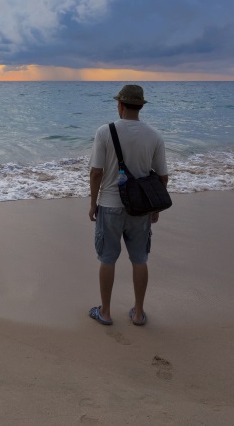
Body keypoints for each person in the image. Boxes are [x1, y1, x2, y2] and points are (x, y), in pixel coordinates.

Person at [87, 84, 169, 326]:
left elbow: (95, 173)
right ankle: (138, 313)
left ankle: (105, 312)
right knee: (140, 259)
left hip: (110, 205)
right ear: (141, 106)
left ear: (120, 105)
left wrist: (93, 204)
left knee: (108, 259)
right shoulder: (154, 135)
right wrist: (155, 208)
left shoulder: (105, 132)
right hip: (141, 207)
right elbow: (163, 177)